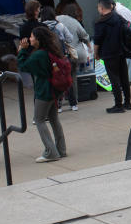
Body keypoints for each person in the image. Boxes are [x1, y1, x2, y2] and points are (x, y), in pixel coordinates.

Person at [18, 25, 67, 163]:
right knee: (53, 119)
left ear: (38, 39)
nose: (30, 38)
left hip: (43, 91)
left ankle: (51, 152)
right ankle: (60, 149)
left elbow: (24, 66)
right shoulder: (50, 50)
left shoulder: (39, 54)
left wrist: (21, 51)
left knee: (39, 120)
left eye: (32, 36)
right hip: (53, 90)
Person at [94, 0, 131, 113]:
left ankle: (118, 105)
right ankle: (128, 102)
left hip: (109, 54)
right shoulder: (118, 17)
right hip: (121, 51)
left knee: (114, 79)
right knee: (124, 77)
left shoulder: (100, 22)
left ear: (101, 8)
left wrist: (96, 53)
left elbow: (97, 41)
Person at [56, 10, 91, 112]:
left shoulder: (56, 20)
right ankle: (74, 102)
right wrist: (89, 47)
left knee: (58, 78)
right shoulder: (74, 22)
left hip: (58, 55)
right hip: (72, 55)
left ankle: (59, 104)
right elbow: (84, 35)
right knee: (71, 77)